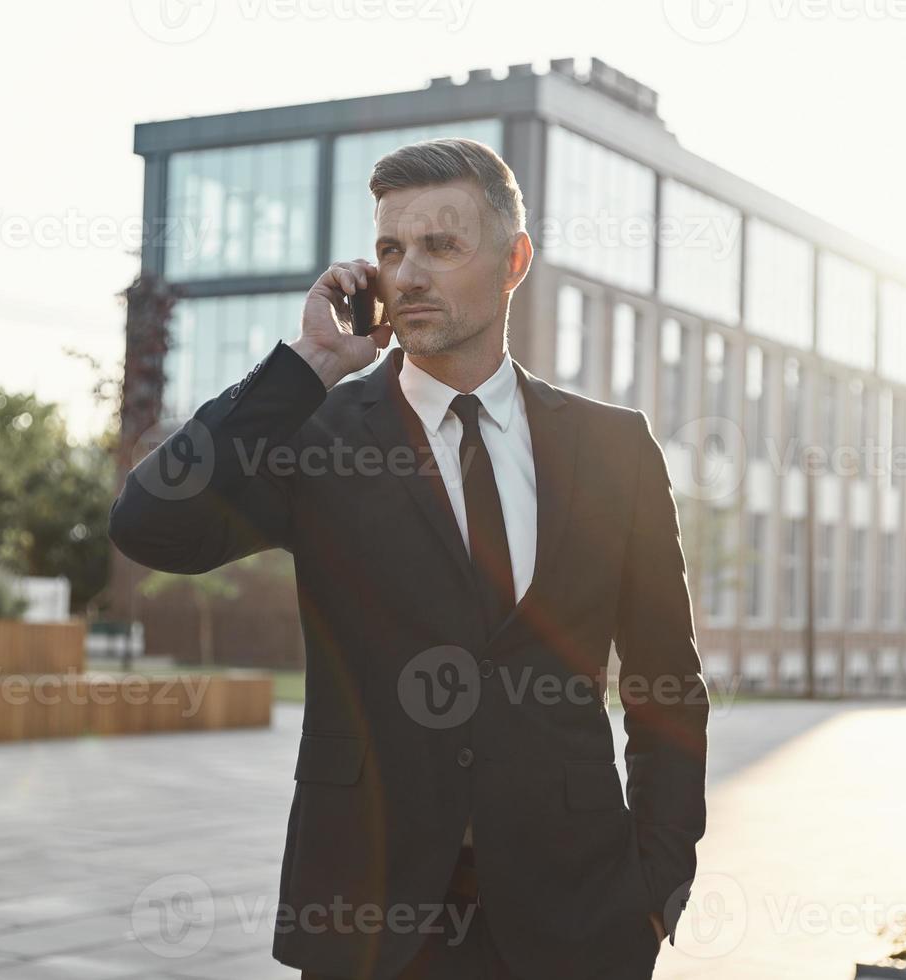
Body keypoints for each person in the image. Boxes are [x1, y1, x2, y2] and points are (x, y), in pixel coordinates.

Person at [109, 137, 708, 980]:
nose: (409, 273)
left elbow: (667, 681)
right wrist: (308, 366)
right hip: (371, 917)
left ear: (514, 260)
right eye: (391, 249)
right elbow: (148, 526)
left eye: (441, 245)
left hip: (580, 916)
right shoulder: (318, 434)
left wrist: (656, 886)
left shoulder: (614, 448)